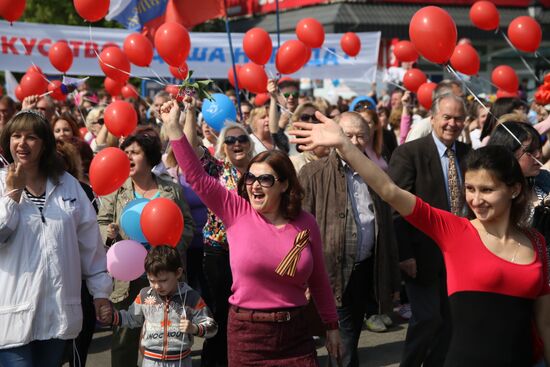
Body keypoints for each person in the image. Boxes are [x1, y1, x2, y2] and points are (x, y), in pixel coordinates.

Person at [290, 111, 550, 366]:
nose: (476, 199)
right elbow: (389, 190)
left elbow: (544, 322)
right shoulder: (455, 231)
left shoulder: (536, 241)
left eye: (487, 190)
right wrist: (344, 145)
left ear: (514, 189)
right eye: (470, 189)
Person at [161, 100, 342, 366]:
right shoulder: (236, 211)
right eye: (251, 179)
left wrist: (332, 326)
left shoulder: (305, 223)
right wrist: (173, 127)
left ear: (283, 185)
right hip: (248, 334)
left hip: (296, 332)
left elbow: (319, 281)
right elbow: (197, 176)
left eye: (265, 179)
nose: (255, 185)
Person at [0, 110, 112, 367]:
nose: (22, 143)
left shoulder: (68, 185)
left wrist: (100, 293)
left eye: (31, 137)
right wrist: (12, 194)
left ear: (44, 144)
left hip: (57, 313)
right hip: (11, 313)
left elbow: (90, 246)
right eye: (16, 136)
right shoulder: (1, 184)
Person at [299, 111, 400, 366]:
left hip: (366, 268)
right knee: (342, 340)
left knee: (351, 334)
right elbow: (299, 229)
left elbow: (387, 225)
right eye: (348, 135)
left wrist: (391, 277)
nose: (354, 141)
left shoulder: (377, 175)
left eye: (361, 136)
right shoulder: (313, 173)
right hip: (330, 273)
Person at [97, 128, 194, 367]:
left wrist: (173, 248)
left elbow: (188, 224)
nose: (128, 156)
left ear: (149, 156)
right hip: (127, 277)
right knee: (123, 341)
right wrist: (108, 234)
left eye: (134, 152)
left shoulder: (170, 188)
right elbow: (100, 221)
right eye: (125, 152)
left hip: (166, 275)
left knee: (168, 338)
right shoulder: (116, 188)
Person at [389, 93, 471, 366]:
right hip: (421, 254)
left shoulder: (469, 155)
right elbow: (395, 208)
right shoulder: (410, 153)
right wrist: (404, 254)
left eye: (458, 118)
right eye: (446, 117)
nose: (452, 123)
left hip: (459, 254)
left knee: (452, 321)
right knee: (427, 317)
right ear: (433, 118)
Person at [178, 97, 254, 367]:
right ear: (222, 147)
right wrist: (189, 111)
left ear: (250, 144)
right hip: (218, 253)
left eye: (242, 139)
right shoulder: (216, 169)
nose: (237, 144)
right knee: (221, 314)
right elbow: (186, 150)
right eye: (230, 141)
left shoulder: (260, 173)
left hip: (251, 255)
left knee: (247, 314)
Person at [100, 246, 218, 367]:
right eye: (152, 280)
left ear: (178, 273)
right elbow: (131, 318)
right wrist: (112, 317)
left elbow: (212, 327)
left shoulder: (191, 297)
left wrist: (194, 328)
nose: (157, 286)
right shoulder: (145, 295)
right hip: (151, 361)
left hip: (181, 362)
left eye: (163, 280)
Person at [289, 102, 330, 173]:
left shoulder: (327, 141)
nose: (311, 121)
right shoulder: (288, 138)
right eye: (305, 117)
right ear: (296, 120)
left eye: (314, 117)